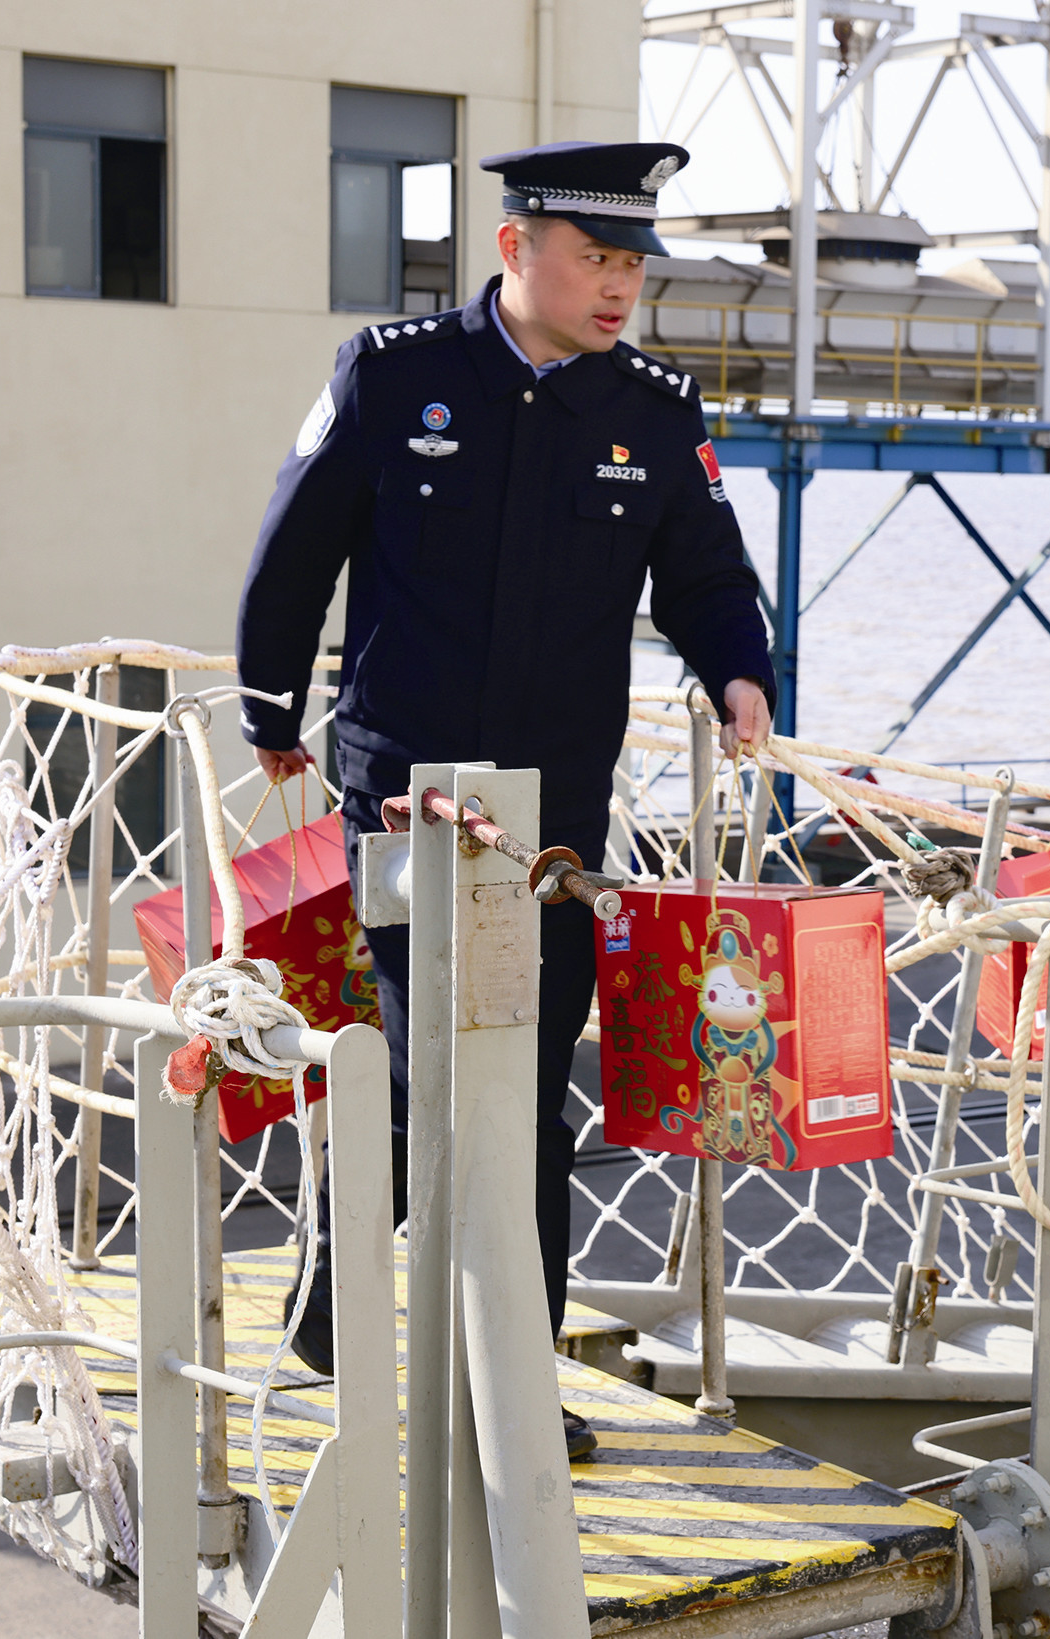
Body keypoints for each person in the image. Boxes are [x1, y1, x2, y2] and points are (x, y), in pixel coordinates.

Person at [234, 140, 775, 1439]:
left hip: (554, 819)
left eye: (634, 264)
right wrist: (269, 705)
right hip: (403, 797)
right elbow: (297, 541)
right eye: (596, 258)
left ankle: (496, 1378)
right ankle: (389, 1328)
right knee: (430, 1061)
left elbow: (705, 571)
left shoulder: (653, 410)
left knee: (525, 1085)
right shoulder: (393, 374)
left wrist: (739, 673)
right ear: (513, 248)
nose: (619, 287)